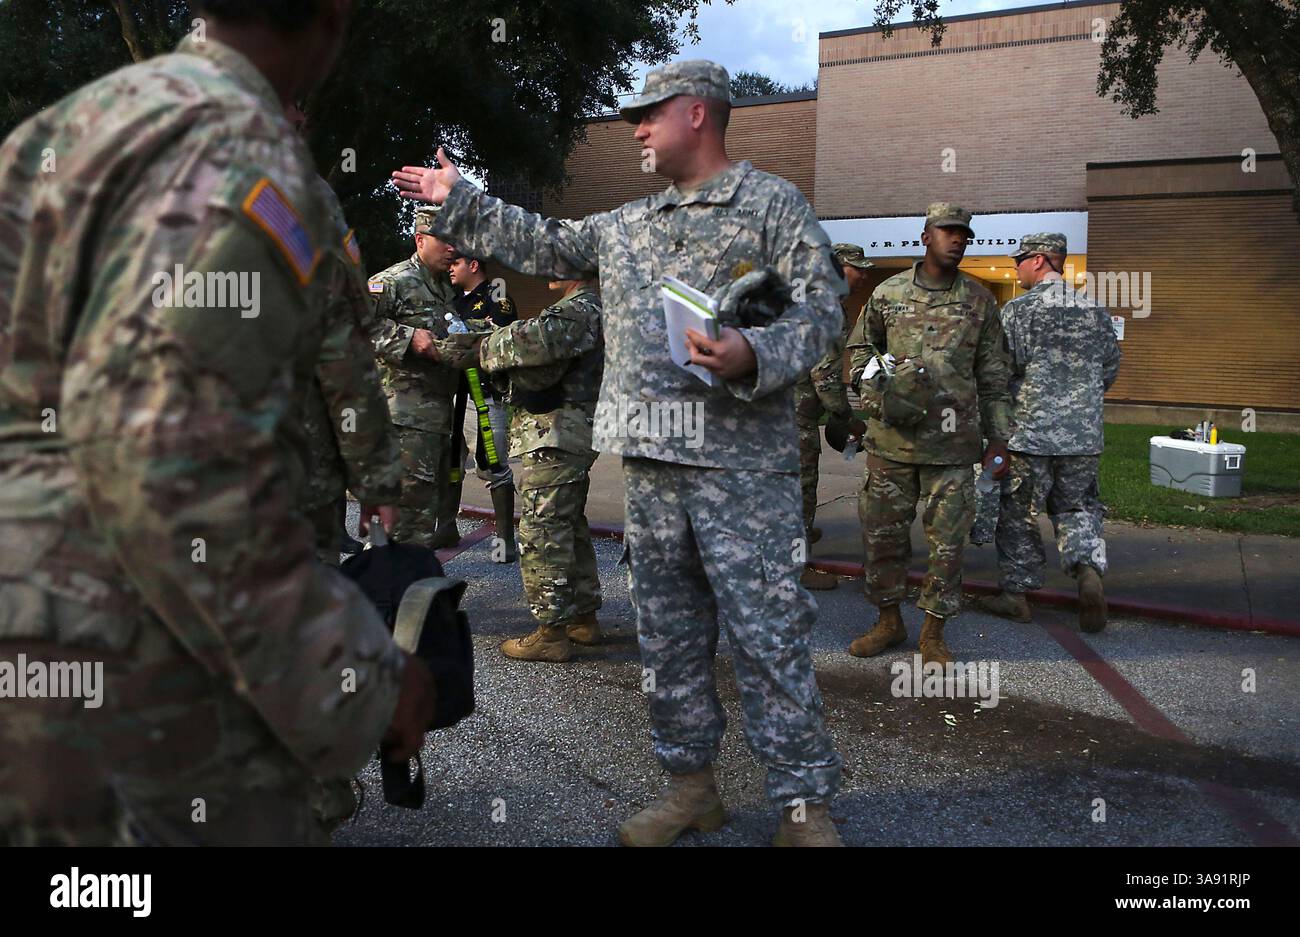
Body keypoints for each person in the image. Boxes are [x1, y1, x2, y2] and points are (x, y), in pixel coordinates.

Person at [0, 0, 434, 846]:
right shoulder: (257, 171)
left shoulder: (66, 128)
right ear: (333, 17)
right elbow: (166, 473)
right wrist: (364, 680)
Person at [394, 59, 847, 847]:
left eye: (650, 111)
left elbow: (821, 310)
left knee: (769, 636)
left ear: (699, 114)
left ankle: (804, 808)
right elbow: (545, 243)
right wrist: (460, 201)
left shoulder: (773, 205)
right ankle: (690, 788)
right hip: (652, 468)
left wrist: (754, 350)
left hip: (743, 469)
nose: (636, 126)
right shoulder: (631, 223)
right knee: (669, 640)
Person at [845, 203, 1012, 667]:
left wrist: (999, 441)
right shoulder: (888, 293)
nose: (957, 239)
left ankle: (934, 631)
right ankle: (887, 620)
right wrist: (873, 388)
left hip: (953, 447)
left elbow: (994, 376)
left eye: (964, 233)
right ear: (925, 236)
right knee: (882, 537)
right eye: (948, 231)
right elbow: (861, 348)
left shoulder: (979, 301)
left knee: (947, 544)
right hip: (891, 442)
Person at [976, 234, 1121, 632]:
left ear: (1039, 261)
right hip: (1083, 437)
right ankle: (1088, 573)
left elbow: (1000, 372)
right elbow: (1109, 369)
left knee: (1019, 512)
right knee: (1078, 508)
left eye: (1020, 260)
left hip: (1030, 435)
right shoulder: (1094, 309)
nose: (1015, 268)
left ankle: (1017, 595)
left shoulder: (1019, 312)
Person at [461, 278, 606, 662]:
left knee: (542, 529)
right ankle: (583, 617)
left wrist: (488, 351)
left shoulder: (575, 310)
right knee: (567, 523)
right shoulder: (592, 307)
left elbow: (536, 359)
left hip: (555, 432)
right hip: (570, 431)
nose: (545, 269)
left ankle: (551, 633)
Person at [368, 207, 462, 548]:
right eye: (445, 240)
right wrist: (408, 337)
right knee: (401, 516)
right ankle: (384, 592)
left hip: (437, 417)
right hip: (402, 420)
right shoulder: (392, 282)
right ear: (420, 240)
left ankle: (410, 589)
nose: (453, 248)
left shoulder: (446, 288)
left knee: (422, 516)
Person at [794, 243, 870, 591]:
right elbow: (824, 377)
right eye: (857, 268)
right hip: (795, 419)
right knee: (800, 494)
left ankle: (799, 538)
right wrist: (847, 417)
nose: (863, 275)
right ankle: (796, 568)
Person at [447, 251, 518, 561]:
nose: (450, 269)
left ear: (473, 265)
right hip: (452, 392)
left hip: (483, 393)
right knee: (449, 465)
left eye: (456, 263)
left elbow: (500, 333)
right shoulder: (449, 298)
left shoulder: (497, 293)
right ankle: (446, 526)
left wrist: (463, 332)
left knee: (493, 468)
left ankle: (505, 542)